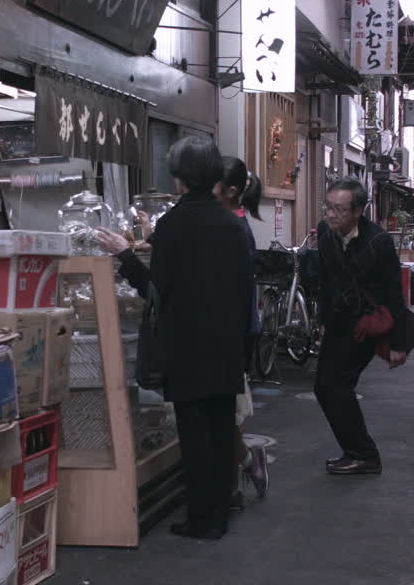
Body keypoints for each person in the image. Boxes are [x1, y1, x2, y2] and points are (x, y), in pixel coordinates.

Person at [92, 136, 252, 540]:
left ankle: (202, 519)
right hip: (227, 345)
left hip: (186, 346)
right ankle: (219, 513)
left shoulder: (173, 226)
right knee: (219, 430)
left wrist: (123, 255)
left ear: (179, 178)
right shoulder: (233, 225)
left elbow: (154, 291)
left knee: (194, 435)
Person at [313, 178, 408, 476]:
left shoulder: (378, 241)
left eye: (339, 209)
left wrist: (398, 344)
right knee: (324, 387)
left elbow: (394, 293)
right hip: (339, 321)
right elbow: (326, 282)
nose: (331, 214)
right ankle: (356, 451)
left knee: (335, 385)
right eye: (328, 207)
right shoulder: (326, 233)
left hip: (367, 324)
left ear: (358, 211)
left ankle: (364, 454)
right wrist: (323, 322)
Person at [214, 156, 270, 509]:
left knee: (227, 410)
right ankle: (236, 478)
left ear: (232, 191)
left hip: (232, 329)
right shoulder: (230, 222)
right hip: (232, 326)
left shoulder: (234, 228)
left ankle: (245, 466)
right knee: (226, 409)